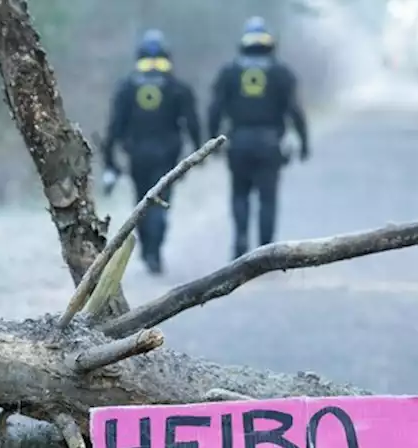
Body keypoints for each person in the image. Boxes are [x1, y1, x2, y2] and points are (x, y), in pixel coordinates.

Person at [207, 16, 310, 259]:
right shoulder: (281, 72)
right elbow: (295, 110)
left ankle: (241, 240)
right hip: (270, 143)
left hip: (239, 142)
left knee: (240, 194)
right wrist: (304, 142)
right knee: (268, 198)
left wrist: (212, 141)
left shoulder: (230, 71)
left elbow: (215, 109)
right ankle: (265, 251)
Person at [102, 29, 202, 275]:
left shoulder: (127, 86)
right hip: (168, 155)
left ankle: (148, 250)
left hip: (137, 155)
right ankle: (154, 251)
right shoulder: (178, 87)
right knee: (162, 201)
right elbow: (192, 122)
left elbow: (115, 126)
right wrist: (198, 151)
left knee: (142, 202)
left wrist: (110, 159)